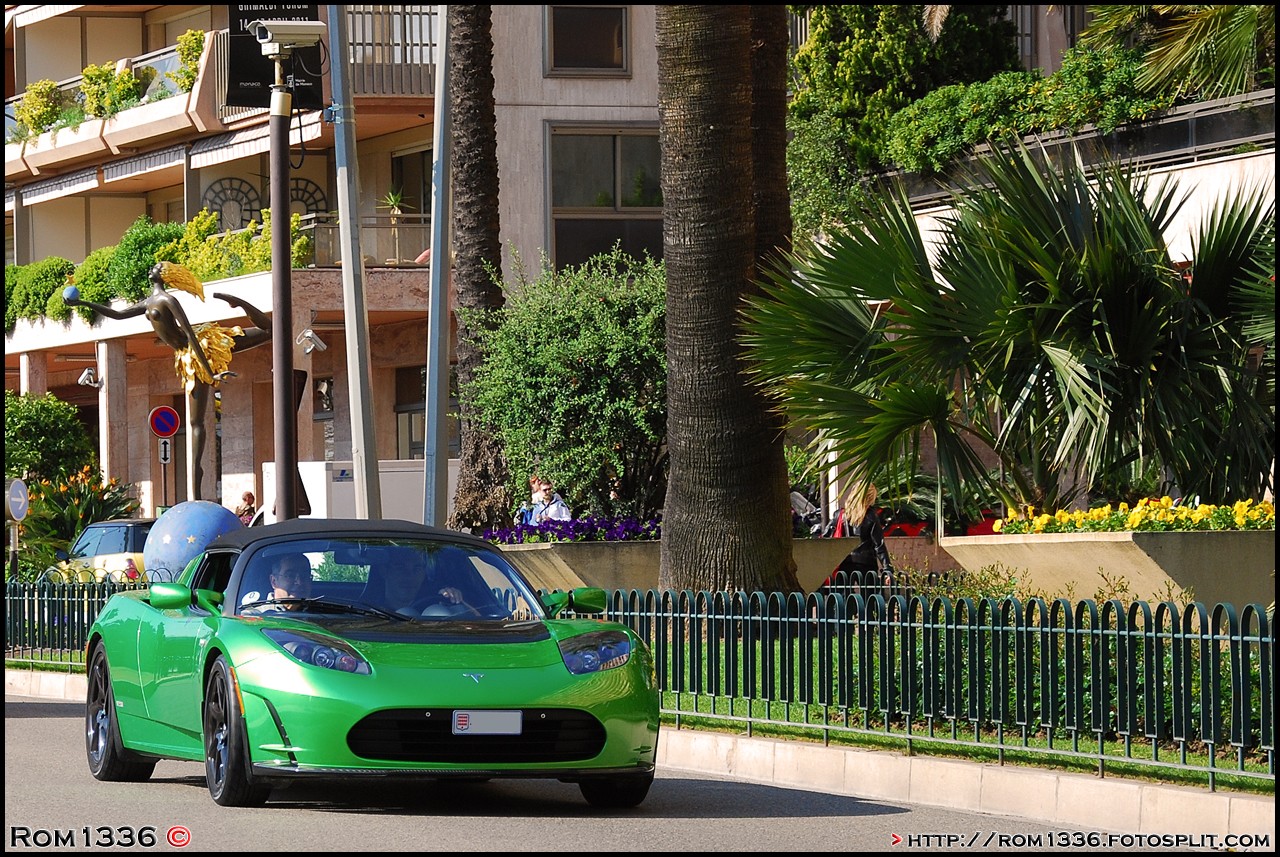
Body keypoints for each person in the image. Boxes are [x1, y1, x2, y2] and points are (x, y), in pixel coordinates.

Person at [62, 262, 272, 499]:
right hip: (185, 358)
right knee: (195, 422)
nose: (152, 267)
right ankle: (196, 494)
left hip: (202, 349)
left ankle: (240, 303)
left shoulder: (168, 301)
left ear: (164, 274)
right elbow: (118, 315)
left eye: (158, 266)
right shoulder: (149, 301)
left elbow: (190, 335)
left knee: (268, 331)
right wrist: (83, 303)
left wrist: (209, 371)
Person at [831, 481, 895, 585]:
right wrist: (887, 569)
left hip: (845, 562)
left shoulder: (840, 515)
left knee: (843, 597)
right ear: (870, 497)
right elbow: (879, 545)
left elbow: (827, 537)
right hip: (866, 564)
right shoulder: (871, 516)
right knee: (870, 598)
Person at [242, 554, 312, 612]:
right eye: (290, 575)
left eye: (304, 575)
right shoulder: (254, 617)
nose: (299, 582)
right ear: (274, 581)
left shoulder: (319, 614)